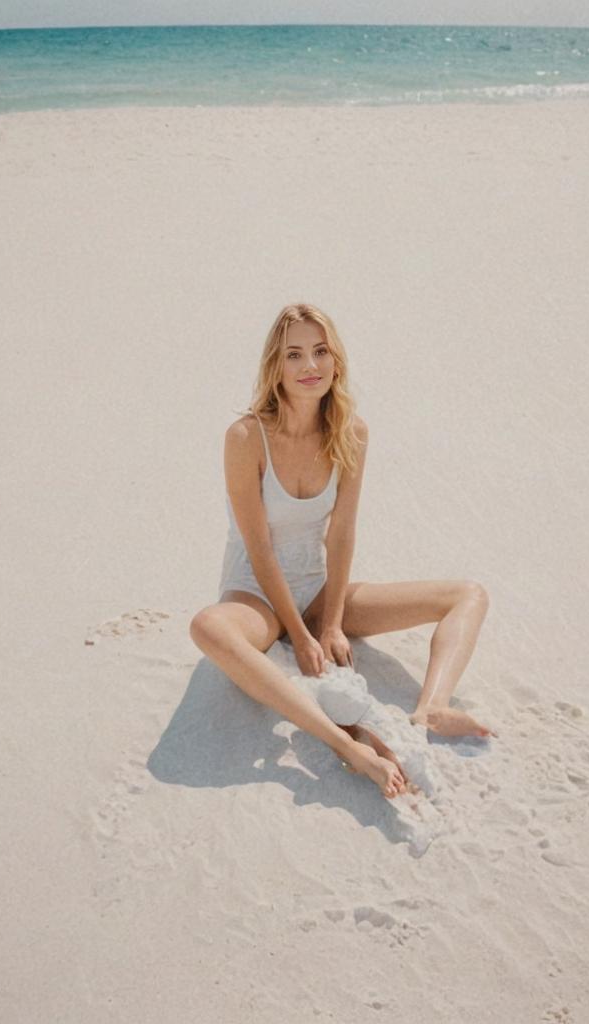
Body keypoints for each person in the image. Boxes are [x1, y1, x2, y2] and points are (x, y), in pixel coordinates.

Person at [190, 303, 495, 800]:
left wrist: (330, 624)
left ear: (336, 360)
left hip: (318, 588)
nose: (309, 367)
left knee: (469, 594)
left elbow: (342, 533)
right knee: (207, 626)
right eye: (294, 355)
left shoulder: (351, 432)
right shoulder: (246, 437)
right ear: (276, 367)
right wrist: (295, 633)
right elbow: (258, 545)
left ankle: (432, 708)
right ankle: (344, 743)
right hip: (255, 595)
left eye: (319, 352)